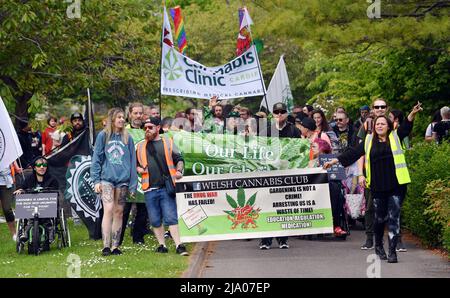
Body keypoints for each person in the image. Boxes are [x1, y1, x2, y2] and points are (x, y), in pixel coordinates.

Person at [324, 102, 423, 263]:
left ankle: (392, 251)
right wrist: (334, 161)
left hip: (397, 184)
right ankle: (378, 246)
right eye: (378, 124)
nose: (380, 126)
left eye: (383, 124)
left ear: (389, 126)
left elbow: (407, 127)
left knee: (394, 217)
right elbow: (353, 153)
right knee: (379, 218)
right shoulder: (369, 140)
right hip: (377, 185)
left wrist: (413, 113)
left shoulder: (395, 136)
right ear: (374, 126)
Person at [136, 117, 188, 256]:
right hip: (149, 189)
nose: (147, 130)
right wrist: (138, 169)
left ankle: (179, 245)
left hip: (166, 187)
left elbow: (179, 159)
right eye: (145, 128)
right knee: (154, 219)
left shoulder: (168, 142)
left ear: (158, 128)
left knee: (171, 217)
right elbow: (135, 164)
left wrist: (179, 171)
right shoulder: (140, 146)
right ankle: (161, 245)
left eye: (150, 127)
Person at [91, 108, 138, 256]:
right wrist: (95, 180)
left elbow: (132, 162)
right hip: (106, 179)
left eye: (123, 117)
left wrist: (133, 184)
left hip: (123, 181)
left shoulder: (127, 138)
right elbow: (96, 159)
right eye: (119, 117)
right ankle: (106, 245)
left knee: (119, 212)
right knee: (109, 209)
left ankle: (115, 246)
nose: (122, 120)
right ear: (112, 119)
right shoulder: (103, 136)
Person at [259, 103, 300, 250]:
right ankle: (265, 240)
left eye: (282, 111)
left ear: (286, 113)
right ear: (273, 114)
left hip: (286, 173)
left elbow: (298, 151)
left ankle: (283, 239)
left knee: (283, 207)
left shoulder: (294, 130)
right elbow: (260, 152)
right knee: (267, 205)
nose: (279, 114)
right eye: (276, 111)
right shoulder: (265, 131)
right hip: (269, 174)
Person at [356, 98, 388, 250]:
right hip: (371, 173)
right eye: (377, 107)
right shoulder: (366, 126)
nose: (380, 109)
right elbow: (359, 152)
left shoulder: (393, 124)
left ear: (386, 108)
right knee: (370, 207)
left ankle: (397, 239)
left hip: (390, 173)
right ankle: (370, 238)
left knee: (393, 208)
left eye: (382, 106)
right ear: (372, 109)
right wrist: (360, 174)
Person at [119, 102, 149, 246]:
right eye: (135, 113)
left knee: (143, 208)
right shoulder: (123, 131)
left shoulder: (147, 131)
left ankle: (138, 237)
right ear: (130, 114)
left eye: (140, 113)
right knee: (124, 209)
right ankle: (117, 238)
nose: (138, 116)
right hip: (127, 174)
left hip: (144, 175)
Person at [14, 156, 59, 245]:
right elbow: (23, 188)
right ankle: (25, 233)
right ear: (34, 168)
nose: (42, 167)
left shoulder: (52, 179)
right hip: (32, 207)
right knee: (30, 219)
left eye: (44, 165)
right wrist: (20, 190)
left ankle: (50, 231)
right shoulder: (29, 179)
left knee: (47, 217)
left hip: (46, 207)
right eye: (39, 165)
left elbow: (55, 192)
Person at [308, 138, 347, 236]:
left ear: (321, 148)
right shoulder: (310, 162)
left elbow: (338, 175)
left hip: (330, 189)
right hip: (314, 190)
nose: (311, 149)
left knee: (336, 188)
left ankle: (334, 224)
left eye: (314, 147)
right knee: (334, 188)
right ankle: (335, 225)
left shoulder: (331, 160)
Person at [0, 162, 21, 241]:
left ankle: (14, 234)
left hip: (6, 183)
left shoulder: (6, 151)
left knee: (7, 209)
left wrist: (17, 167)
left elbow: (12, 159)